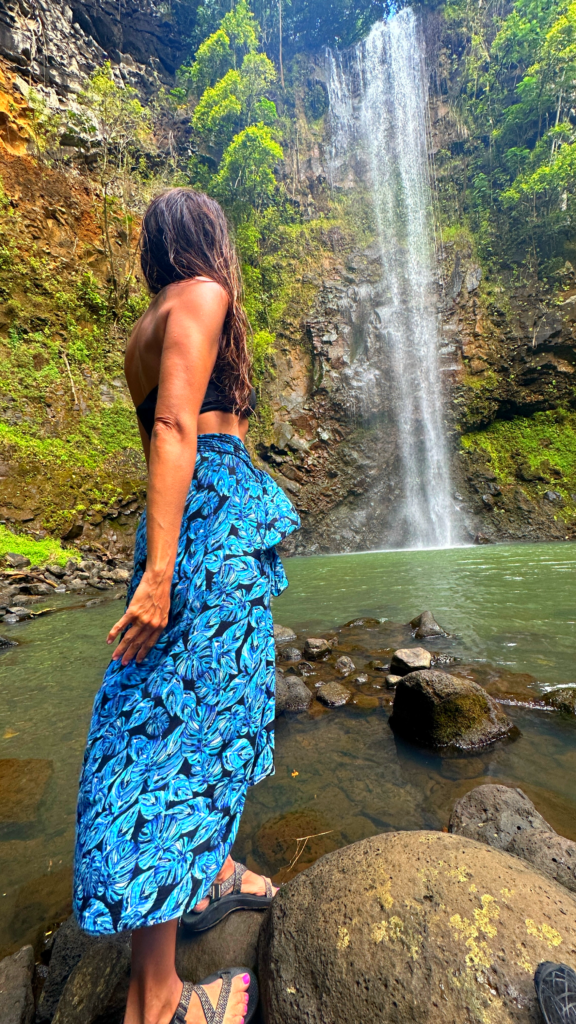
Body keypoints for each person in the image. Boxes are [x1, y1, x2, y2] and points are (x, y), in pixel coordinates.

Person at [72, 188, 300, 1024]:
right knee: (194, 725)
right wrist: (163, 576)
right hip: (204, 538)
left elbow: (161, 443)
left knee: (173, 715)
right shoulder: (205, 295)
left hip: (180, 526)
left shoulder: (146, 328)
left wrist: (160, 556)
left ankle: (201, 868)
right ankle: (159, 1000)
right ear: (204, 239)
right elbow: (176, 430)